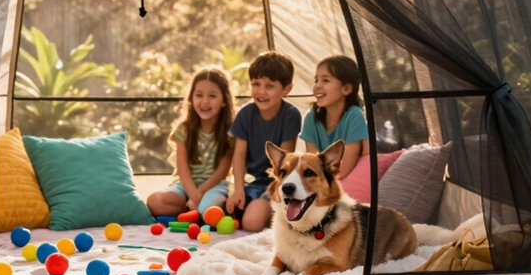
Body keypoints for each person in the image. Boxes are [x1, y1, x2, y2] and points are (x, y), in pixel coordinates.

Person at [226, 51, 302, 231]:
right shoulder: (245, 114)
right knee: (226, 210)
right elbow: (239, 156)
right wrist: (238, 190)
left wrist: (276, 192)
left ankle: (278, 215)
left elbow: (284, 160)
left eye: (269, 86)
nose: (261, 91)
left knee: (251, 222)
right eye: (256, 84)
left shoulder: (291, 114)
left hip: (278, 182)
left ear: (286, 89)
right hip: (255, 182)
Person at [146, 67, 236, 217]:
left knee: (207, 209)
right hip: (185, 186)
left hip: (215, 185)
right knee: (154, 201)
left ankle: (196, 210)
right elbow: (183, 169)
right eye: (199, 95)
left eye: (212, 96)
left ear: (224, 101)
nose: (205, 101)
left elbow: (223, 171)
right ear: (191, 98)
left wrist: (201, 192)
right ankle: (191, 209)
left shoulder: (231, 131)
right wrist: (193, 194)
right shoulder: (184, 129)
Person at [300, 55, 368, 178]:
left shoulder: (354, 116)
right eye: (316, 80)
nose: (317, 86)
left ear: (346, 89)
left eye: (325, 80)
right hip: (323, 179)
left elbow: (343, 169)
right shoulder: (311, 118)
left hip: (346, 178)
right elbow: (312, 163)